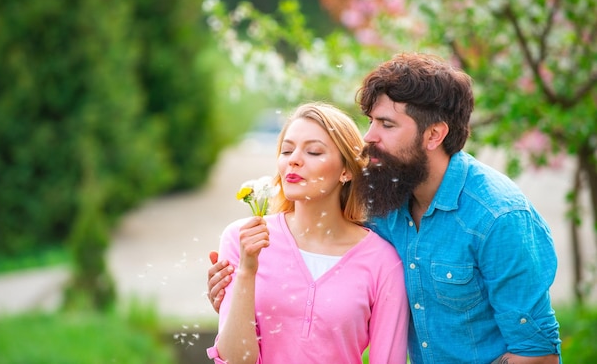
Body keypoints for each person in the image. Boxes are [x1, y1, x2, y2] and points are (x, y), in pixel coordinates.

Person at [208, 54, 563, 364]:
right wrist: (238, 296)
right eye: (372, 121)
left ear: (434, 135)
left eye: (387, 124)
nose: (368, 137)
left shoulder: (499, 218)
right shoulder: (385, 201)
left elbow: (539, 354)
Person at [206, 102, 409, 364]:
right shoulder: (241, 239)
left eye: (313, 152)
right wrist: (246, 271)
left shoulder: (383, 262)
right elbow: (236, 360)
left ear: (346, 170)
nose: (294, 160)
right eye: (287, 150)